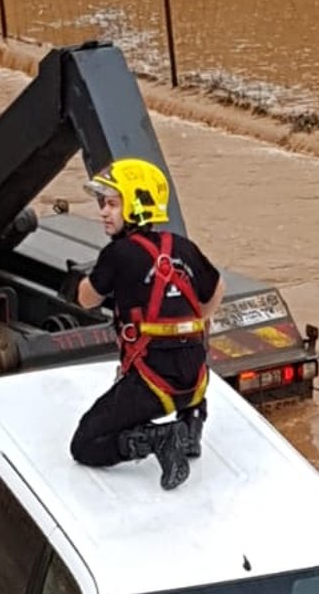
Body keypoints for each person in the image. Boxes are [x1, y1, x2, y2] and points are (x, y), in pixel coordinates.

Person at [69, 158, 223, 493]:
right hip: (195, 380)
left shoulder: (118, 253)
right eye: (102, 204)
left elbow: (87, 299)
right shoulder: (183, 247)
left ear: (138, 206)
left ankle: (160, 438)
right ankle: (191, 425)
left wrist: (78, 282)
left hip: (153, 386)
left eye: (112, 203)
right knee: (182, 354)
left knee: (84, 443)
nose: (103, 213)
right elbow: (215, 291)